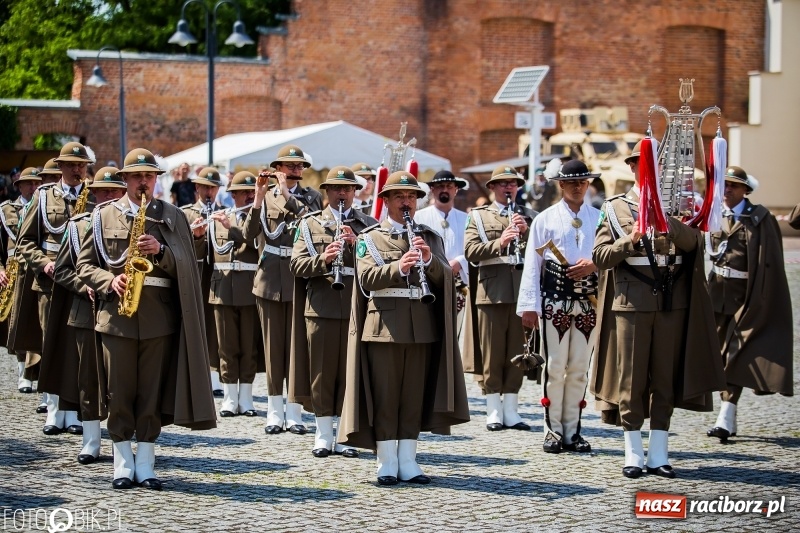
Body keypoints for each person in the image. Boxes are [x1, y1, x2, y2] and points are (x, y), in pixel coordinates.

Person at [76, 148, 216, 490]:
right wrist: (109, 281)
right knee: (119, 390)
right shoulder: (102, 215)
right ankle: (122, 462)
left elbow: (188, 265)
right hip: (116, 317)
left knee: (151, 392)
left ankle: (146, 463)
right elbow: (84, 265)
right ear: (124, 179)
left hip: (158, 318)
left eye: (149, 176)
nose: (143, 182)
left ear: (156, 179)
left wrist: (163, 251)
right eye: (137, 176)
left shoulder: (172, 215)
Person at [591, 140, 724, 479]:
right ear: (633, 167)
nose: (652, 169)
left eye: (658, 164)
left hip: (670, 302)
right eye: (644, 163)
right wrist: (631, 239)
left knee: (665, 379)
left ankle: (659, 453)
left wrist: (668, 221)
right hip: (631, 304)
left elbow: (694, 243)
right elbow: (600, 256)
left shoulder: (680, 207)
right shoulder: (615, 208)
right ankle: (633, 452)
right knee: (631, 379)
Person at [338, 170, 469, 485]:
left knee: (412, 397)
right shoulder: (369, 238)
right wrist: (399, 267)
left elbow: (446, 278)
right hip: (383, 327)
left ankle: (409, 460)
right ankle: (386, 460)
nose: (407, 202)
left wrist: (430, 261)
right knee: (386, 396)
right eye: (400, 196)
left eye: (411, 196)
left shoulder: (429, 237)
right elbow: (366, 279)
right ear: (386, 200)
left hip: (421, 326)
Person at [289, 166, 377, 459]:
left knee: (350, 372)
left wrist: (357, 244)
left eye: (348, 189)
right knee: (322, 373)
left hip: (356, 307)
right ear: (327, 191)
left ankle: (345, 433)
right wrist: (323, 259)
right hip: (322, 307)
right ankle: (323, 433)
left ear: (355, 192)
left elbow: (381, 266)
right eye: (337, 188)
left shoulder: (369, 225)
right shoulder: (310, 224)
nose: (343, 194)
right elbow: (296, 265)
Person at [517, 160, 601, 453]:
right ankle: (552, 430)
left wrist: (594, 264)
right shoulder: (545, 219)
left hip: (589, 303)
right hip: (554, 302)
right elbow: (533, 264)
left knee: (579, 368)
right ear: (561, 184)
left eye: (583, 182)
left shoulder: (599, 218)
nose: (578, 187)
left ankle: (572, 431)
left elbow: (608, 257)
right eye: (572, 182)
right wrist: (529, 306)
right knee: (554, 366)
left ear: (588, 184)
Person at [705, 166, 793, 442]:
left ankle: (725, 415)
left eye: (734, 185)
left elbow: (771, 261)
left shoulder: (759, 218)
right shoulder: (713, 214)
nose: (728, 189)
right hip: (716, 295)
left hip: (747, 297)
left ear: (746, 190)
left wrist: (763, 298)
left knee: (736, 355)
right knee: (720, 355)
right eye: (725, 185)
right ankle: (728, 417)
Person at [17, 141, 96, 436]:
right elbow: (26, 241)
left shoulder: (94, 198)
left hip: (81, 283)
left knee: (77, 347)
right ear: (60, 167)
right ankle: (52, 408)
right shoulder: (43, 196)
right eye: (72, 165)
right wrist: (44, 264)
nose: (77, 170)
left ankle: (73, 410)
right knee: (49, 344)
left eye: (82, 165)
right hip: (49, 283)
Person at [51, 167, 126, 464]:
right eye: (103, 192)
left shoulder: (134, 223)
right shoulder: (78, 224)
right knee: (88, 379)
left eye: (114, 191)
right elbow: (61, 270)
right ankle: (91, 440)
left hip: (120, 313)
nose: (109, 197)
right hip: (85, 312)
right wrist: (85, 286)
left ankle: (122, 440)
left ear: (123, 193)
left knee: (120, 380)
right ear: (93, 194)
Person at [243, 145, 318, 436]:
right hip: (271, 279)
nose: (296, 170)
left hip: (299, 277)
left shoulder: (311, 197)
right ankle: (274, 411)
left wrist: (286, 193)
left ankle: (294, 411)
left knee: (297, 348)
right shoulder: (264, 196)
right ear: (278, 169)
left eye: (299, 166)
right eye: (290, 166)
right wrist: (258, 197)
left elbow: (312, 224)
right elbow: (248, 234)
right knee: (273, 348)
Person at [463, 165, 538, 432]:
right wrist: (501, 242)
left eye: (513, 183)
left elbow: (543, 253)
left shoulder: (530, 216)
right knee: (492, 352)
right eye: (503, 183)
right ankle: (493, 409)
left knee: (519, 351)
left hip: (521, 292)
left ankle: (512, 410)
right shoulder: (479, 216)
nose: (509, 187)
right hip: (492, 292)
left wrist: (527, 232)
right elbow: (470, 251)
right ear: (492, 187)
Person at [207, 171, 260, 418]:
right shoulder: (217, 218)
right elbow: (206, 253)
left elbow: (252, 240)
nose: (249, 196)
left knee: (248, 346)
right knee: (226, 346)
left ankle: (246, 398)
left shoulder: (259, 220)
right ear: (234, 195)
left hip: (249, 288)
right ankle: (229, 397)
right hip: (222, 288)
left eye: (252, 192)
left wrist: (232, 227)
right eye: (244, 192)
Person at [181, 167, 224, 396]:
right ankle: (194, 374)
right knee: (195, 323)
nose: (209, 192)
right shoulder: (185, 214)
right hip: (195, 275)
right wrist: (197, 237)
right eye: (205, 187)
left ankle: (215, 375)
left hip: (218, 277)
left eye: (213, 188)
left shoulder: (225, 214)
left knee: (215, 326)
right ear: (197, 188)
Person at [0, 167, 42, 394]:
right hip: (15, 272)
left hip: (38, 269)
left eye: (37, 183)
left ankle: (33, 372)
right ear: (19, 186)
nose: (34, 187)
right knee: (17, 322)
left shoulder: (45, 208)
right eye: (29, 183)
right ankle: (22, 371)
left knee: (38, 321)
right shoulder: (6, 209)